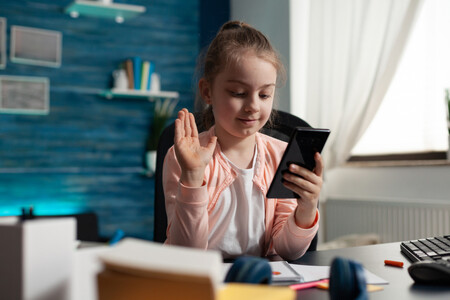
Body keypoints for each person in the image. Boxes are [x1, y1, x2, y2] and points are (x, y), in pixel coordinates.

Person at [162, 20, 323, 261]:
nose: (253, 106)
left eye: (264, 94)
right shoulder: (181, 158)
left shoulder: (280, 155)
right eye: (238, 93)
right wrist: (193, 177)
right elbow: (187, 254)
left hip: (258, 281)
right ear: (207, 92)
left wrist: (307, 208)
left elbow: (287, 250)